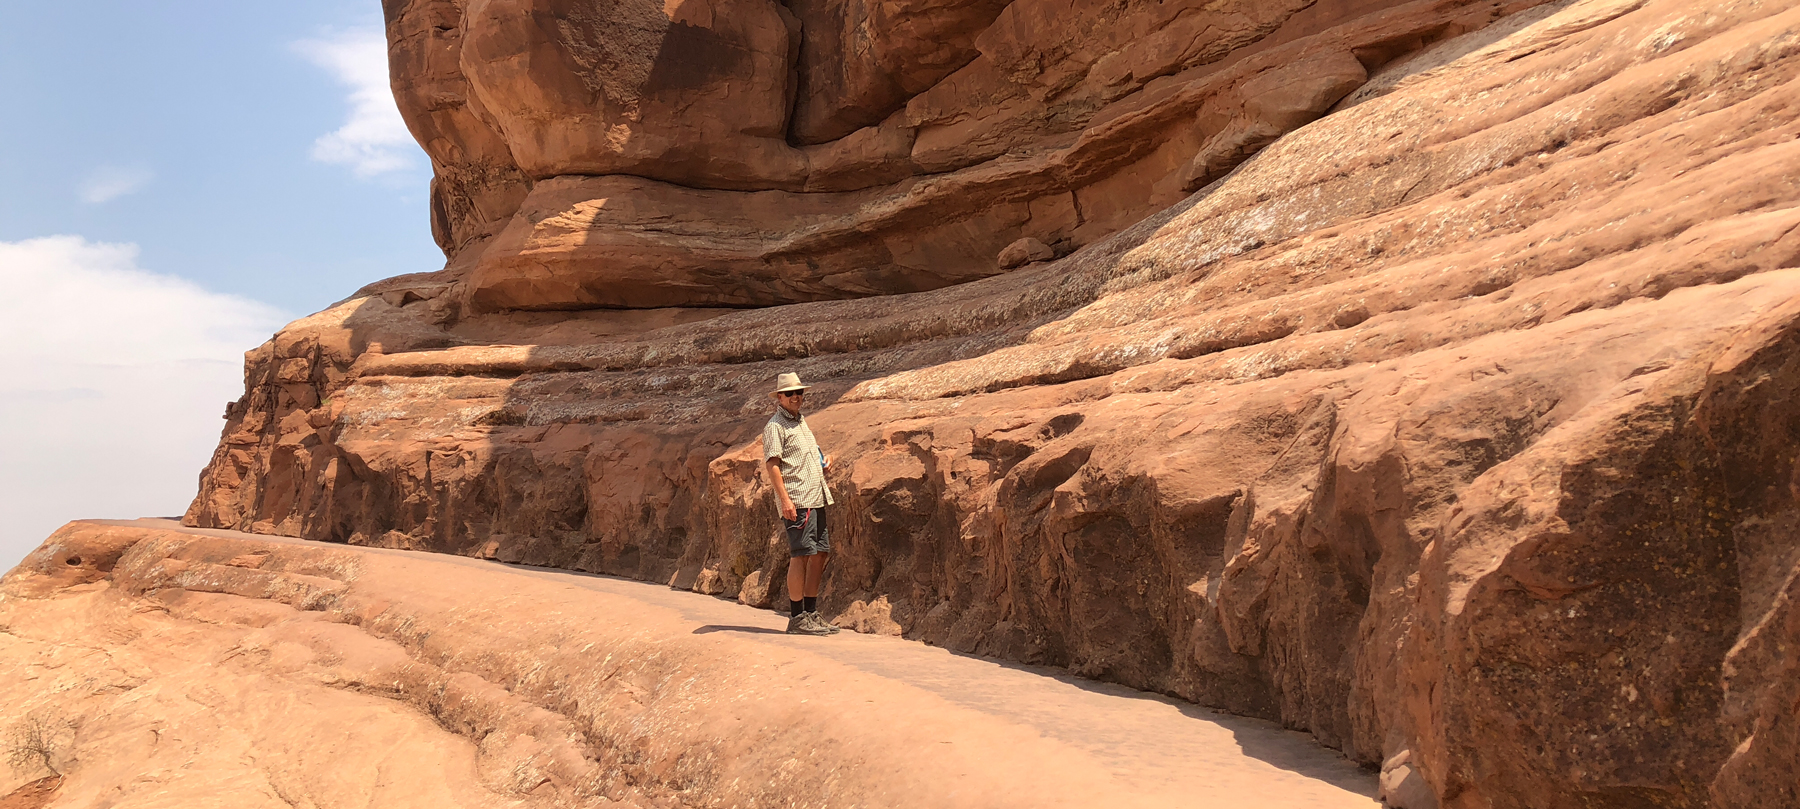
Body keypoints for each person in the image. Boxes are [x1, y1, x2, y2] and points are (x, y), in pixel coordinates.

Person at [761, 372, 840, 636]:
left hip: (816, 496)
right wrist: (784, 500)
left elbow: (806, 457)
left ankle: (811, 612)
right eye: (790, 393)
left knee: (819, 553)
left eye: (799, 392)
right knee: (801, 555)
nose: (796, 397)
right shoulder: (775, 426)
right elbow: (773, 464)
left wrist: (823, 463)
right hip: (797, 499)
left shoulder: (801, 422)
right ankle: (796, 618)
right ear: (779, 397)